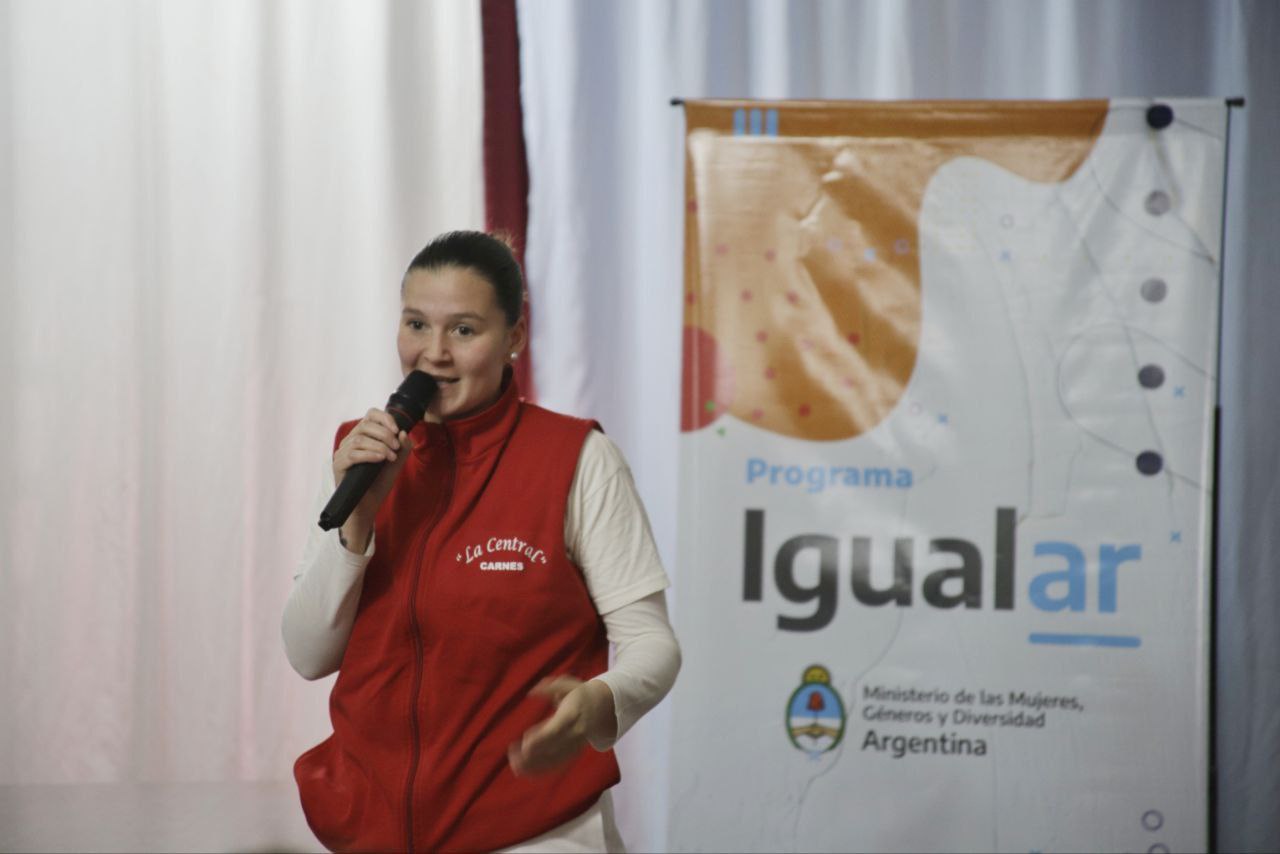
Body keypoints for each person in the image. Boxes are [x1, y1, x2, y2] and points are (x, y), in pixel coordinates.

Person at [282, 231, 681, 853]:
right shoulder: (359, 454)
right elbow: (308, 655)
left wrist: (599, 701)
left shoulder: (576, 459)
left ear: (514, 339)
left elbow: (653, 644)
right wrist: (358, 521)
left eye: (464, 331)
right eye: (416, 324)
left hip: (533, 831)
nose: (433, 354)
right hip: (368, 828)